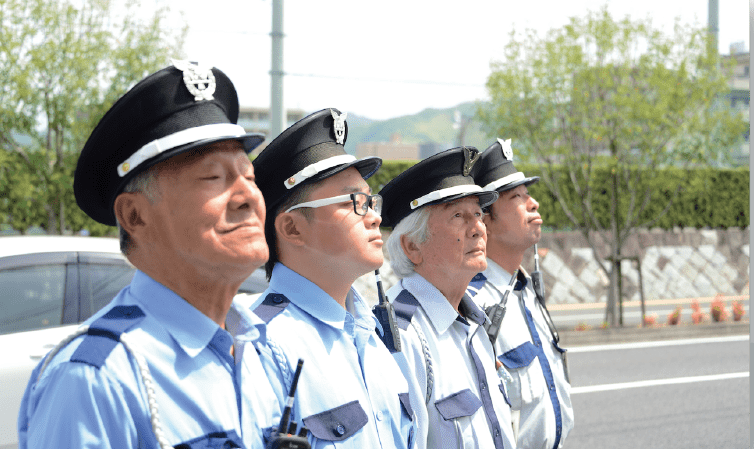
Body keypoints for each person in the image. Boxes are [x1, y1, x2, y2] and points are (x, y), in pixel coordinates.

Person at [17, 60, 279, 449]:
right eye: (214, 178)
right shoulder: (95, 380)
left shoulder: (259, 348)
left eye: (249, 176)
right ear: (135, 215)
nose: (247, 198)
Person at [246, 108, 416, 449]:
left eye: (371, 201)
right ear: (292, 228)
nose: (372, 217)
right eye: (355, 201)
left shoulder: (373, 334)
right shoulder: (260, 344)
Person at [379, 147, 516, 449]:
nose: (478, 228)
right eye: (458, 216)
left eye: (478, 214)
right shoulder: (401, 336)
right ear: (413, 246)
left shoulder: (473, 321)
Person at [469, 138, 573, 449]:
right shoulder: (473, 303)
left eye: (529, 194)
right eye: (517, 197)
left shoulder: (524, 289)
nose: (534, 203)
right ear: (485, 220)